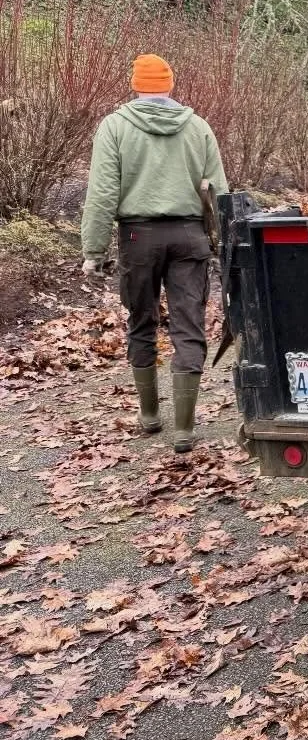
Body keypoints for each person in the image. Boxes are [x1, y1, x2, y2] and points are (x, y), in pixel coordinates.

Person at [81, 54, 228, 453]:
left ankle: (149, 416)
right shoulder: (197, 127)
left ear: (135, 84)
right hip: (189, 236)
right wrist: (225, 243)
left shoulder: (114, 127)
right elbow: (219, 193)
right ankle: (184, 428)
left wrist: (93, 249)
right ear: (170, 85)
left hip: (137, 237)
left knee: (141, 319)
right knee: (188, 325)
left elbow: (102, 192)